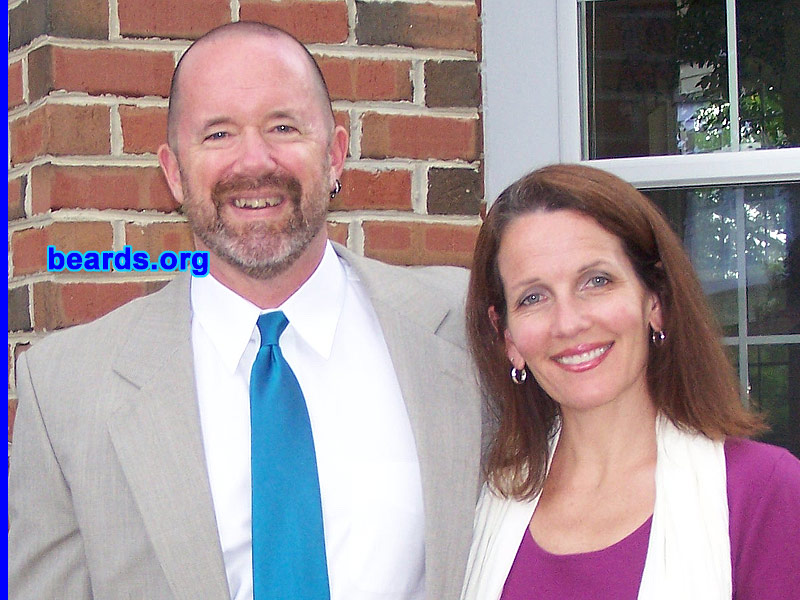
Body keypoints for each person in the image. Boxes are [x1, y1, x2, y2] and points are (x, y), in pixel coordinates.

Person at [8, 22, 483, 600]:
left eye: (283, 127)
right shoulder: (65, 388)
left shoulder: (467, 328)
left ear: (335, 154)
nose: (253, 161)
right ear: (174, 173)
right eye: (218, 134)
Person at [460, 164, 800, 600]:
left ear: (654, 300)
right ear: (508, 337)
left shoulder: (765, 493)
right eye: (533, 297)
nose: (568, 323)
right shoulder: (484, 497)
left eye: (596, 281)